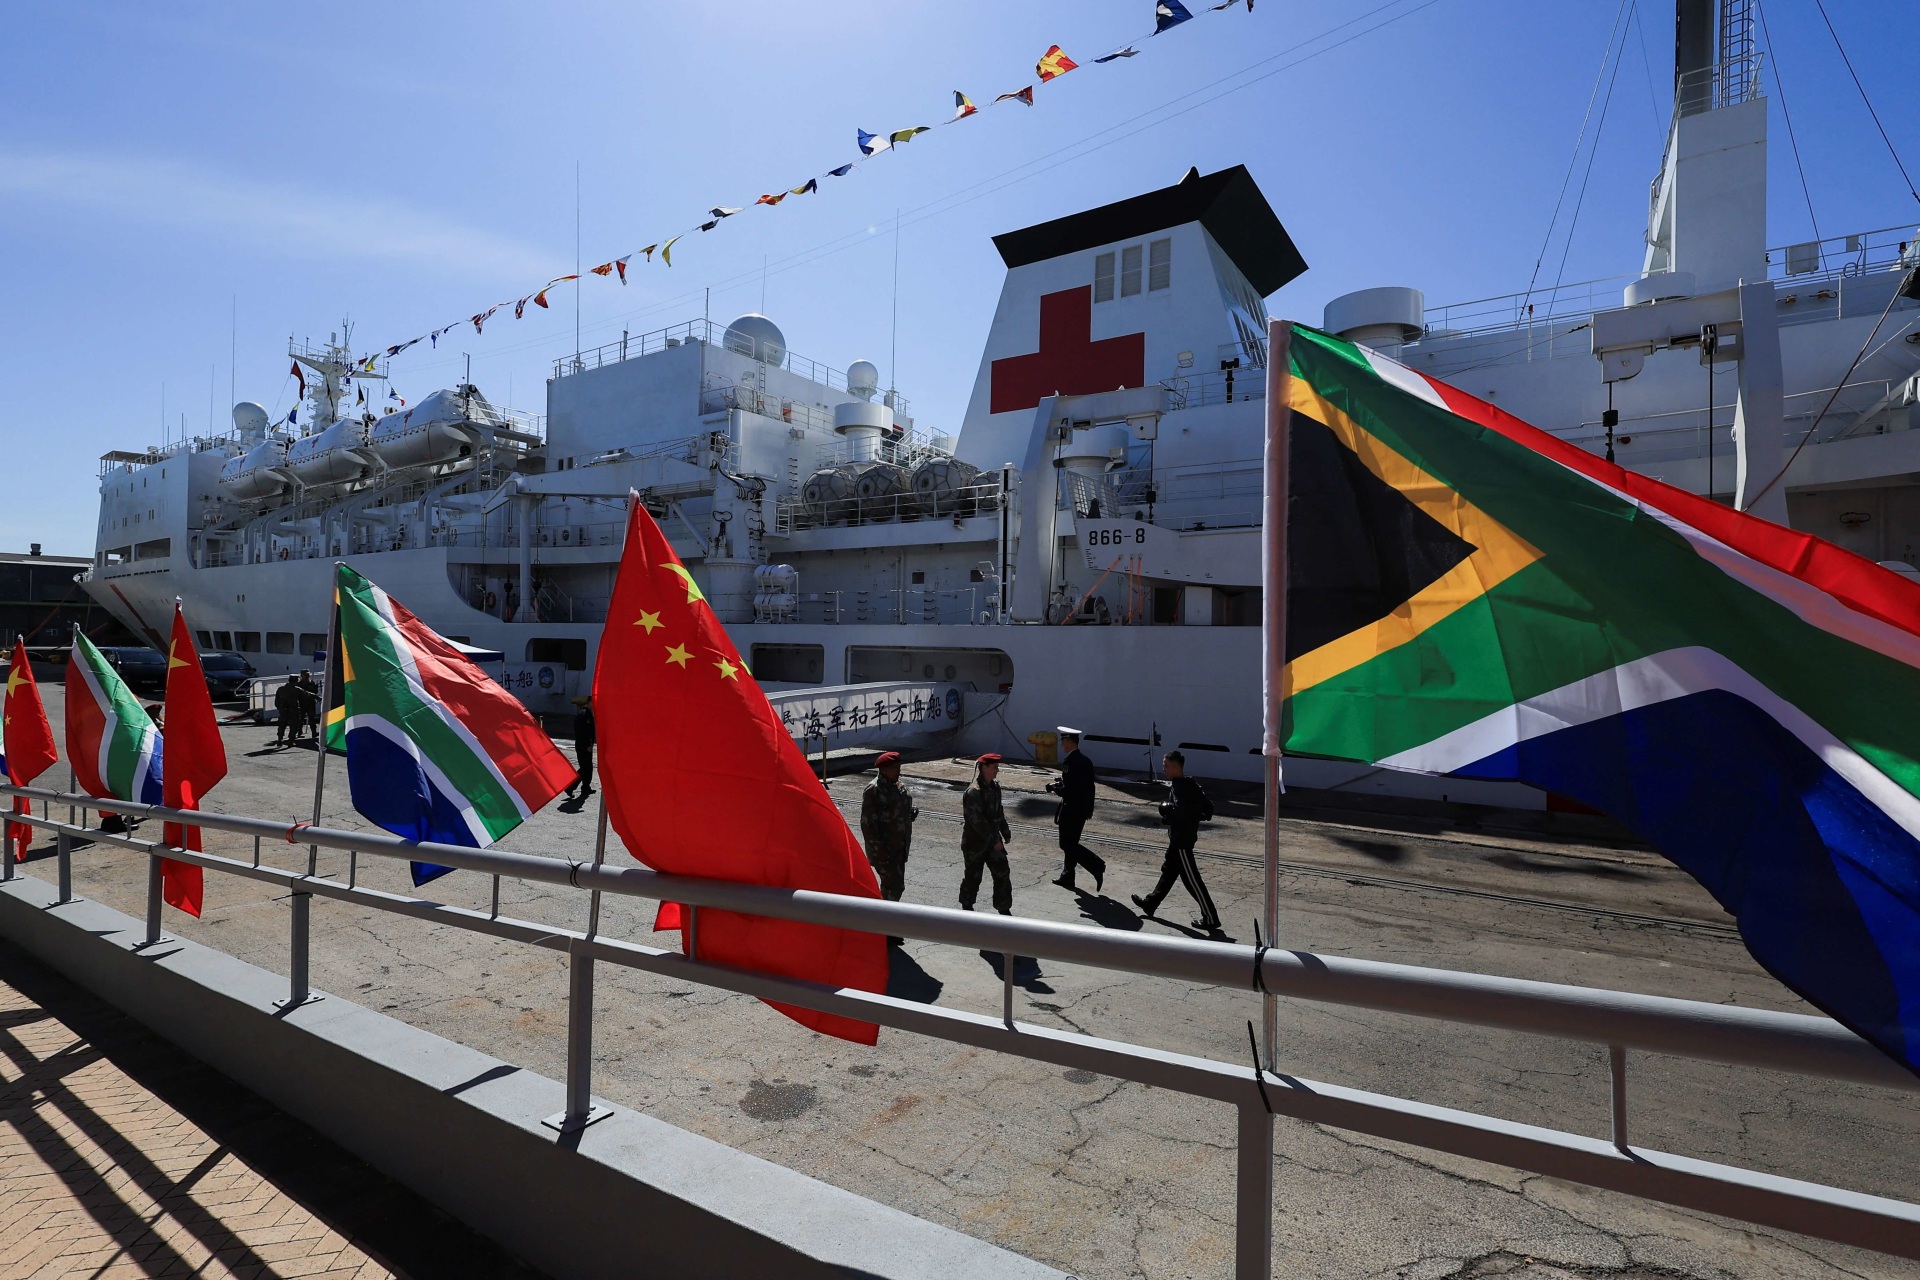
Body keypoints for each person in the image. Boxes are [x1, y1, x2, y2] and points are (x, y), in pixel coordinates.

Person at [1132, 751, 1220, 932]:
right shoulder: (1189, 784)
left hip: (1182, 841)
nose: (1163, 769)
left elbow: (1183, 812)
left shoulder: (1182, 787)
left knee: (1192, 881)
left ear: (1175, 766)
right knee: (1168, 873)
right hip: (1178, 840)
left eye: (1165, 765)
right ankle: (1150, 903)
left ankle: (1210, 917)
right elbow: (1208, 809)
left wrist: (1168, 813)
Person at [860, 751, 917, 945]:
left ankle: (883, 926)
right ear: (883, 770)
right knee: (893, 887)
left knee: (893, 888)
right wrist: (879, 850)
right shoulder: (873, 790)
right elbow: (867, 825)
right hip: (884, 850)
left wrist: (909, 814)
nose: (899, 771)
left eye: (899, 767)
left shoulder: (898, 786)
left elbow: (899, 809)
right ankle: (884, 929)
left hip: (899, 847)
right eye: (895, 768)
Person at [1045, 727, 1105, 892]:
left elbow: (1069, 790)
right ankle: (1067, 876)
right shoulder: (1086, 761)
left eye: (1063, 741)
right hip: (1082, 810)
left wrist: (1054, 788)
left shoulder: (1069, 762)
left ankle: (1097, 865)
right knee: (1072, 843)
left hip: (1070, 809)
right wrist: (1089, 809)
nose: (1062, 745)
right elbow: (1089, 787)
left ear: (1069, 742)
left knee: (1066, 844)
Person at [959, 752, 1013, 915]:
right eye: (995, 767)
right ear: (984, 768)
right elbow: (977, 823)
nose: (997, 770)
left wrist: (1005, 830)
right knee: (973, 877)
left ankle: (1003, 907)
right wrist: (994, 840)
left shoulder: (995, 787)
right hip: (975, 843)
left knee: (1002, 871)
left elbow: (999, 812)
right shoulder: (974, 792)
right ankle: (967, 907)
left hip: (992, 841)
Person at [564, 696, 596, 799]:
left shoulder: (588, 714)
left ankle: (586, 787)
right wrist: (587, 745)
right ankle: (570, 787)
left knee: (588, 768)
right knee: (584, 768)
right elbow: (582, 733)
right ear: (589, 702)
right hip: (583, 746)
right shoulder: (584, 715)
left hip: (586, 745)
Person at [273, 676, 302, 747]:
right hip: (293, 710)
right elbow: (306, 695)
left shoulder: (281, 689)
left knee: (282, 725)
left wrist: (280, 708)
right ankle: (291, 740)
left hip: (283, 710)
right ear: (296, 681)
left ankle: (280, 738)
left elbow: (276, 701)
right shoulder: (297, 689)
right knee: (294, 725)